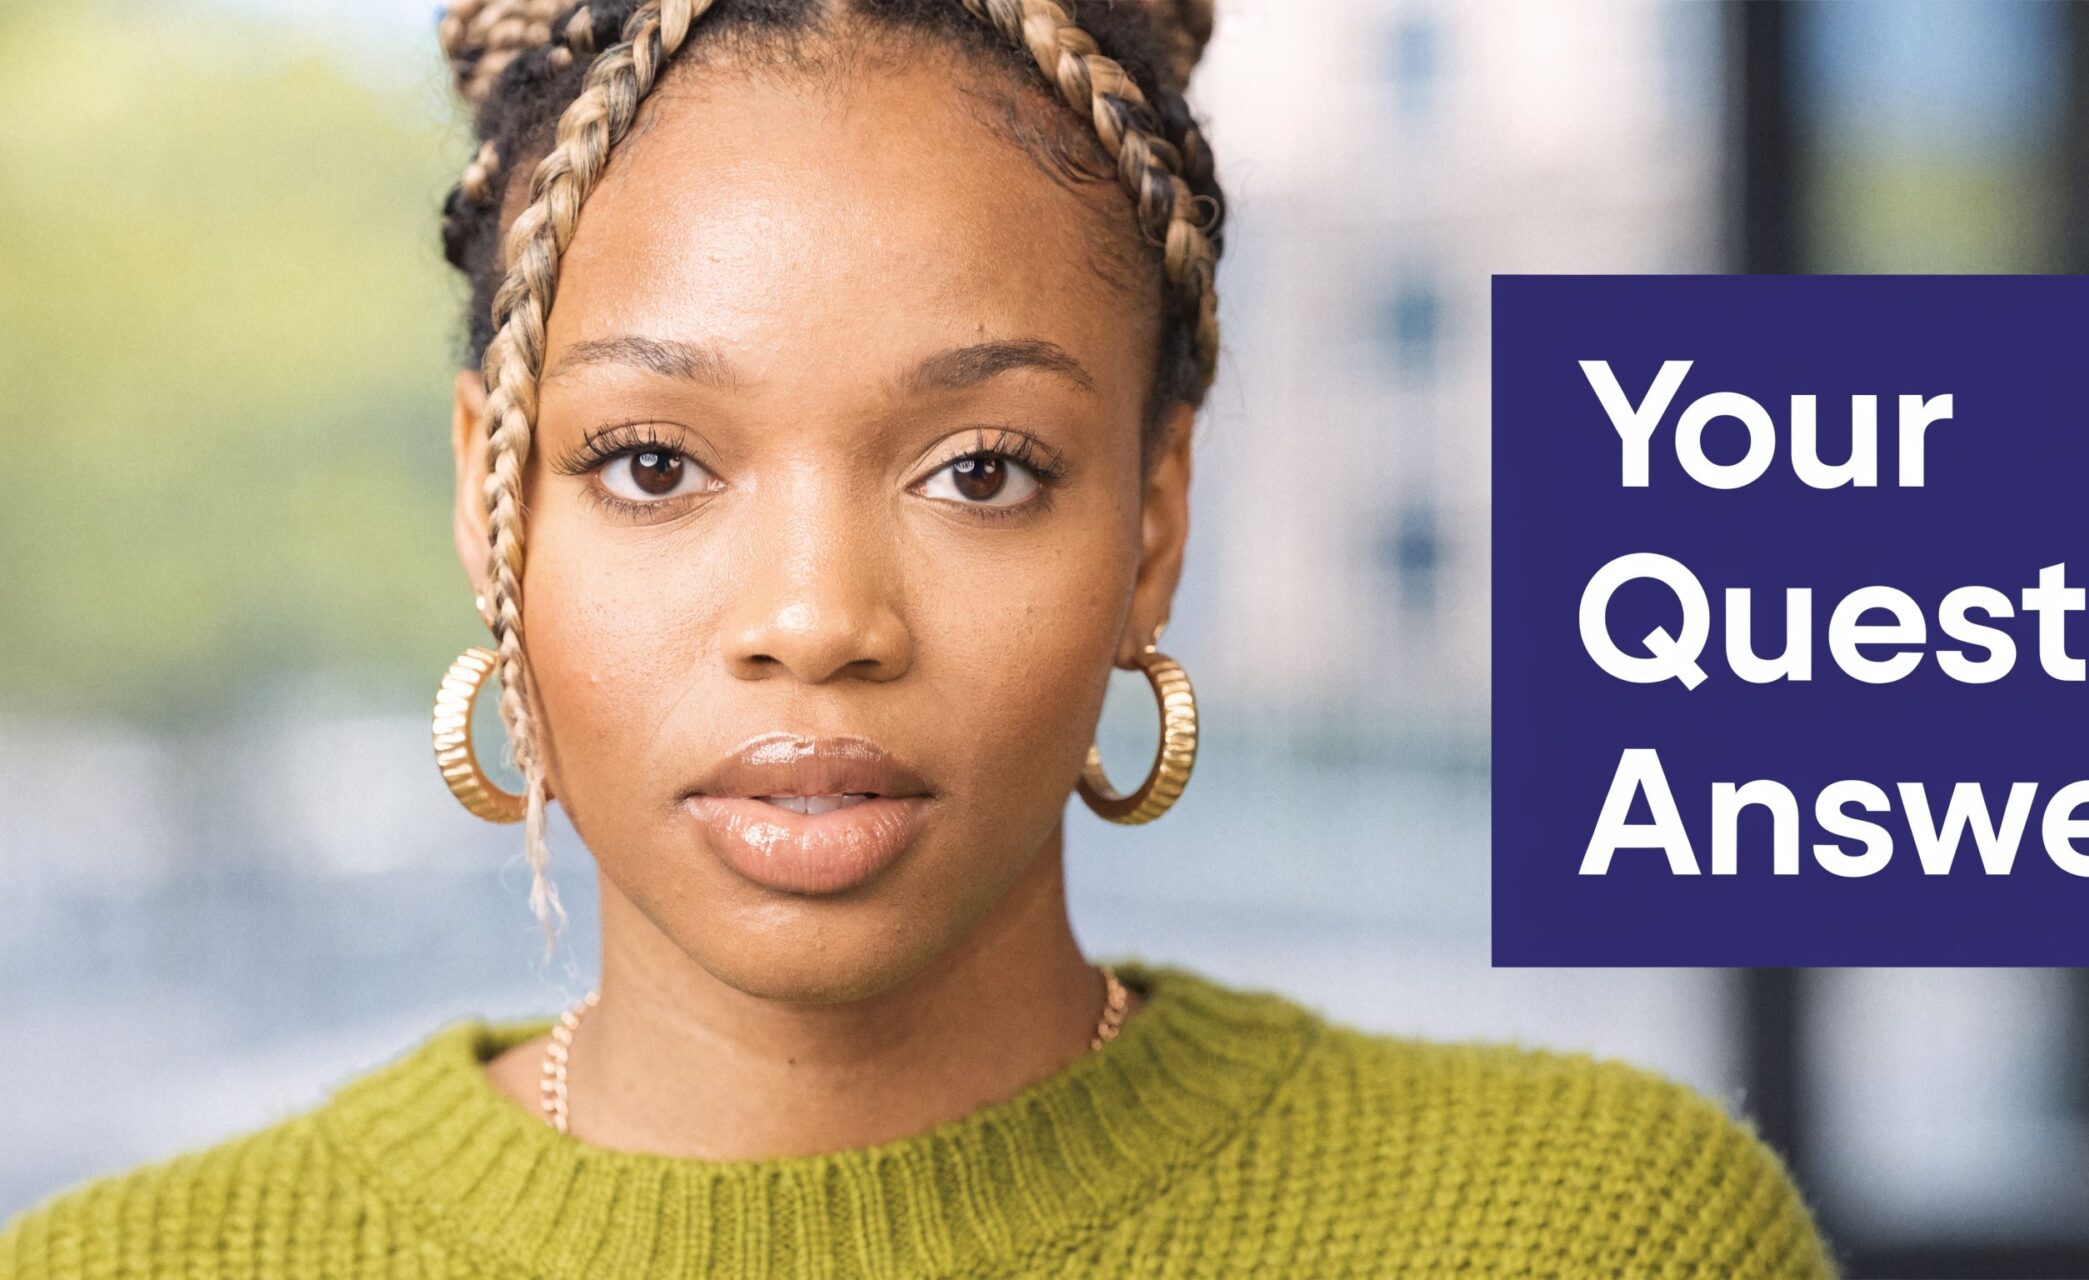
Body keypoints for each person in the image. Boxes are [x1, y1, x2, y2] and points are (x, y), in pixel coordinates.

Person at [0, 1, 1836, 1274]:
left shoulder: (1595, 1235)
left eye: (982, 470)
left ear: (1154, 522)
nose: (818, 620)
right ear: (494, 499)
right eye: (653, 464)